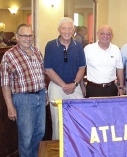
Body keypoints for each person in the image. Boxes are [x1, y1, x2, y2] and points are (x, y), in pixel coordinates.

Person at [0, 24, 46, 157]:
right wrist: (10, 106)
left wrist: (45, 94)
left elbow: (41, 75)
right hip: (23, 100)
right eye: (24, 35)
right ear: (17, 37)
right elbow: (5, 83)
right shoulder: (9, 56)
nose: (28, 38)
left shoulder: (37, 51)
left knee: (40, 132)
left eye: (30, 35)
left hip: (40, 96)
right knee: (26, 137)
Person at [44, 17, 86, 140]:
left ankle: (76, 149)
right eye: (64, 28)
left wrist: (74, 83)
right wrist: (63, 85)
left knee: (78, 120)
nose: (67, 31)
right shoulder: (50, 45)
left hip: (75, 88)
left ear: (73, 30)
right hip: (57, 88)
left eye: (69, 28)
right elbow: (48, 69)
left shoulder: (78, 45)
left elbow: (82, 67)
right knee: (57, 122)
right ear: (59, 30)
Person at [84, 25, 124, 97]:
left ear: (112, 35)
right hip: (92, 89)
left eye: (108, 34)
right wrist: (82, 87)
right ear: (97, 34)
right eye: (102, 33)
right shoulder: (88, 49)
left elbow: (120, 69)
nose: (105, 36)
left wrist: (121, 87)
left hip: (111, 89)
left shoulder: (116, 49)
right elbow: (82, 68)